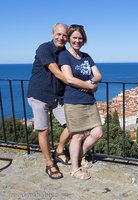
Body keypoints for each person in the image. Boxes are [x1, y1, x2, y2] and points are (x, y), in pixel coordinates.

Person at [59, 24, 103, 180]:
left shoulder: (86, 56)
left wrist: (90, 82)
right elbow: (69, 79)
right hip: (74, 101)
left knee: (97, 132)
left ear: (83, 40)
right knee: (77, 136)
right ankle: (75, 169)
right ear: (69, 39)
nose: (77, 41)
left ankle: (79, 156)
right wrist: (90, 86)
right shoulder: (65, 56)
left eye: (80, 38)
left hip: (89, 101)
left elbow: (98, 75)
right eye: (74, 38)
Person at [27, 23, 71, 179]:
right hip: (39, 96)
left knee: (73, 126)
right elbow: (57, 72)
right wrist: (82, 85)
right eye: (58, 34)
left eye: (64, 35)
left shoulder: (65, 53)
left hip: (57, 97)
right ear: (53, 34)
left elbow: (70, 71)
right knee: (44, 131)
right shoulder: (44, 48)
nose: (61, 37)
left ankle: (59, 151)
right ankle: (50, 164)